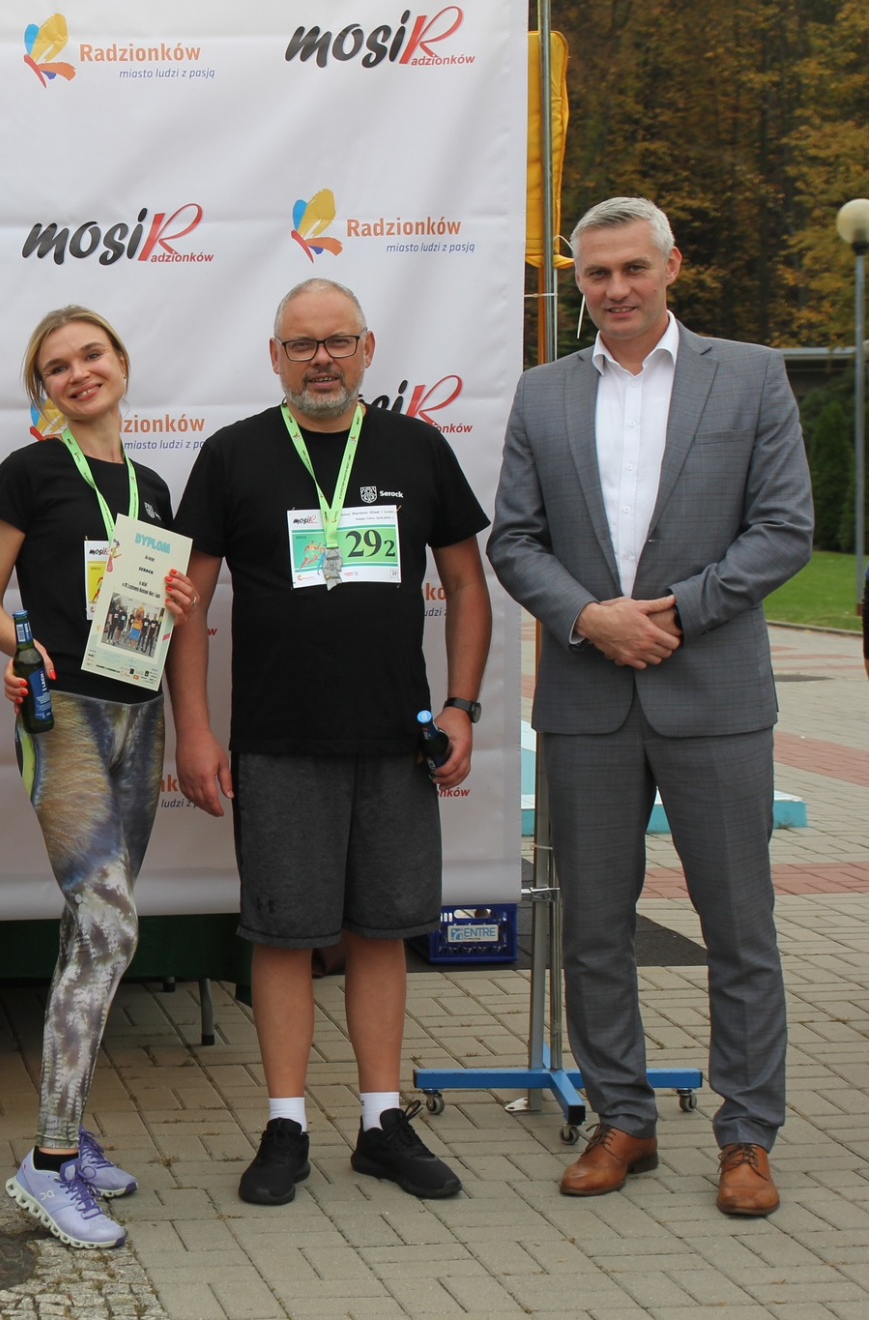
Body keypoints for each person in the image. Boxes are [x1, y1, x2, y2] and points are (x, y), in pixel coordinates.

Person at [488, 197, 814, 1217]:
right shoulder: (544, 393)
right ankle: (622, 1118)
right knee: (592, 929)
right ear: (577, 281)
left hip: (713, 692)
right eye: (597, 273)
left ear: (672, 266)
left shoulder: (750, 375)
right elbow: (514, 540)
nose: (616, 288)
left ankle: (747, 1135)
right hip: (588, 698)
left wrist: (678, 612)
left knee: (739, 926)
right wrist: (591, 618)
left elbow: (784, 528)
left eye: (633, 268)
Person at [169, 277, 492, 1206]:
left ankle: (382, 1123)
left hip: (397, 739)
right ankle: (286, 1126)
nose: (322, 359)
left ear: (367, 348)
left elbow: (468, 586)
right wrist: (195, 729)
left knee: (381, 931)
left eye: (338, 341)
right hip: (278, 741)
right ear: (274, 356)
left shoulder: (417, 447)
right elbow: (187, 605)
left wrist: (462, 706)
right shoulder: (232, 455)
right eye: (302, 344)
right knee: (283, 936)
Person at [0, 306, 196, 1249]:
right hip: (62, 714)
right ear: (44, 389)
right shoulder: (28, 472)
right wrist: (20, 650)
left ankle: (71, 1127)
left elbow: (156, 612)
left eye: (90, 355)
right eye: (56, 367)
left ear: (121, 364)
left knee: (86, 932)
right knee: (110, 925)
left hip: (140, 715)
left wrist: (178, 601)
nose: (78, 373)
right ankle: (49, 1161)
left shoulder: (152, 487)